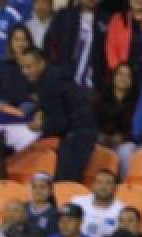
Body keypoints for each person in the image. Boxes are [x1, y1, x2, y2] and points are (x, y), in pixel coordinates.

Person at [20, 48, 98, 183]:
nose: (24, 72)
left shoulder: (50, 83)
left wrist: (41, 126)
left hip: (77, 135)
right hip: (78, 132)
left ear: (40, 63)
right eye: (22, 67)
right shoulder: (53, 77)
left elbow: (60, 122)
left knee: (65, 182)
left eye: (28, 67)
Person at [47, 0, 109, 89]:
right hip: (62, 80)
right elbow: (50, 44)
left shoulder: (106, 19)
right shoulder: (63, 15)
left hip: (90, 84)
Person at [96, 62, 139, 175]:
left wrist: (122, 137)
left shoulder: (138, 102)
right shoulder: (100, 99)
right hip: (101, 139)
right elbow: (91, 122)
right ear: (114, 77)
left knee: (125, 152)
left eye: (127, 75)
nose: (123, 78)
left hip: (126, 142)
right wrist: (101, 136)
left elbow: (138, 128)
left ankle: (124, 187)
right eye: (120, 74)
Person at [0, 25, 37, 114]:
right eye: (17, 40)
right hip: (4, 103)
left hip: (25, 104)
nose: (20, 43)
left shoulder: (35, 65)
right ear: (10, 42)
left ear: (29, 42)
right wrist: (4, 103)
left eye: (24, 39)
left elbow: (36, 92)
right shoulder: (1, 65)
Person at [70, 169, 125, 237]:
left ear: (115, 187)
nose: (103, 186)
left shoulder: (122, 210)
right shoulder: (78, 202)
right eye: (99, 182)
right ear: (93, 185)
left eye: (108, 183)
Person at [26, 171, 58, 237]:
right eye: (34, 187)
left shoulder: (54, 214)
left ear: (50, 191)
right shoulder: (22, 208)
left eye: (42, 187)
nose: (38, 190)